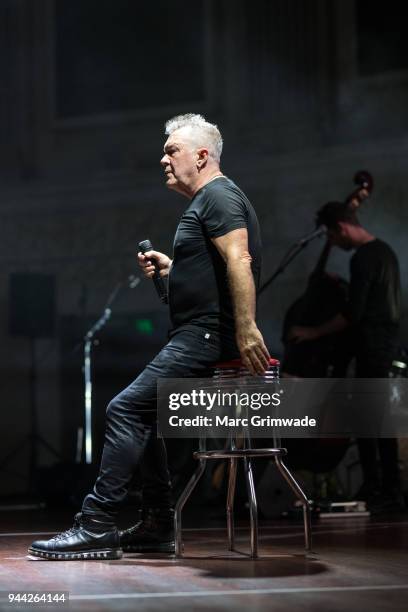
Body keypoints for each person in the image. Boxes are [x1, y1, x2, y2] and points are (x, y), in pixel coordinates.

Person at [28, 114, 270, 560]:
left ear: (201, 155)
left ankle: (97, 524)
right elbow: (214, 272)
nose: (163, 158)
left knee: (124, 409)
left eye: (171, 150)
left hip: (205, 336)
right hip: (199, 333)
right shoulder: (209, 199)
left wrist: (247, 327)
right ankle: (158, 523)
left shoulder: (217, 195)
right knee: (149, 417)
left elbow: (239, 260)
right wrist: (174, 270)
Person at [289, 201, 403, 511]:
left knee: (369, 421)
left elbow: (354, 313)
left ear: (340, 228)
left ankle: (379, 488)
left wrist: (314, 333)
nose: (335, 245)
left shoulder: (364, 258)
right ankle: (387, 487)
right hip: (385, 342)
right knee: (377, 420)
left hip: (371, 344)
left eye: (333, 238)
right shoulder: (385, 253)